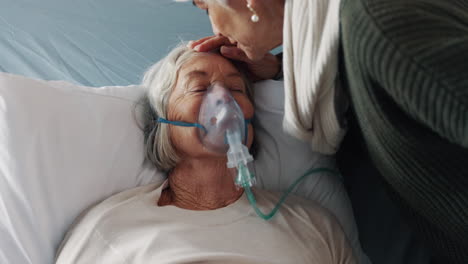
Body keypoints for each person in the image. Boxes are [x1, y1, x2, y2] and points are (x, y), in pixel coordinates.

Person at [188, 0, 468, 263]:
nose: (215, 29)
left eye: (205, 7)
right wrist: (281, 70)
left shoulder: (379, 29)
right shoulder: (347, 43)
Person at [55, 44, 357, 264]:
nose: (223, 100)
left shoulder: (313, 224)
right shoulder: (110, 228)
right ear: (162, 122)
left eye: (237, 90)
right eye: (199, 89)